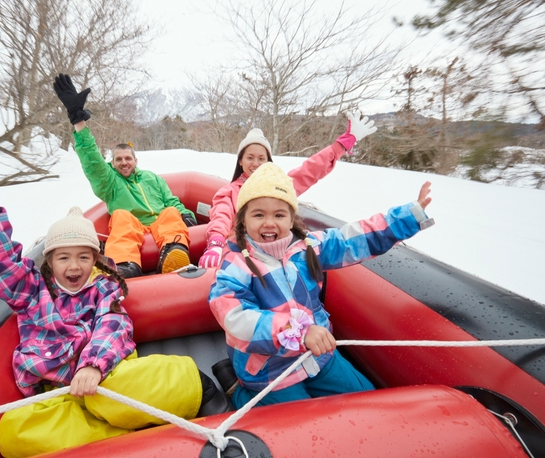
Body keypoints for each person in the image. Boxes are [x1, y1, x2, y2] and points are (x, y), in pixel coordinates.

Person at [0, 168, 226, 457]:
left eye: (83, 257)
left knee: (112, 393)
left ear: (94, 259)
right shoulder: (31, 290)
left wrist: (93, 365)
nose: (74, 266)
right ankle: (130, 428)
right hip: (62, 393)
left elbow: (112, 326)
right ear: (49, 261)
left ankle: (191, 383)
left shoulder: (103, 288)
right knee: (14, 430)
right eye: (64, 257)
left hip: (109, 371)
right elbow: (0, 264)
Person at [208, 162, 434, 409]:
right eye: (258, 214)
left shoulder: (308, 247)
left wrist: (407, 218)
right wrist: (296, 331)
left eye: (279, 214)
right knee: (302, 425)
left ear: (291, 218)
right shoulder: (234, 264)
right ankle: (237, 390)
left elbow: (353, 239)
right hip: (269, 369)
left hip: (317, 354)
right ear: (242, 220)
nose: (269, 223)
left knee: (370, 403)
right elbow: (235, 316)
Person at [53, 74, 197, 278]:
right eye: (118, 159)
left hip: (160, 224)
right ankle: (124, 265)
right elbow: (92, 160)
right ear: (113, 163)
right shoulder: (111, 181)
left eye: (127, 158)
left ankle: (173, 254)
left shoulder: (151, 178)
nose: (123, 162)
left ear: (135, 160)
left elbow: (170, 200)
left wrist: (184, 213)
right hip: (132, 225)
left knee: (171, 213)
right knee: (120, 217)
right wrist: (78, 121)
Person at [199, 113, 377, 268]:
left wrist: (344, 143)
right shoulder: (229, 192)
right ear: (240, 161)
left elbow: (310, 170)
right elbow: (221, 216)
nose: (255, 163)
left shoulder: (278, 188)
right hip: (243, 255)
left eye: (261, 158)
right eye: (250, 157)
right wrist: (215, 243)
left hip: (275, 253)